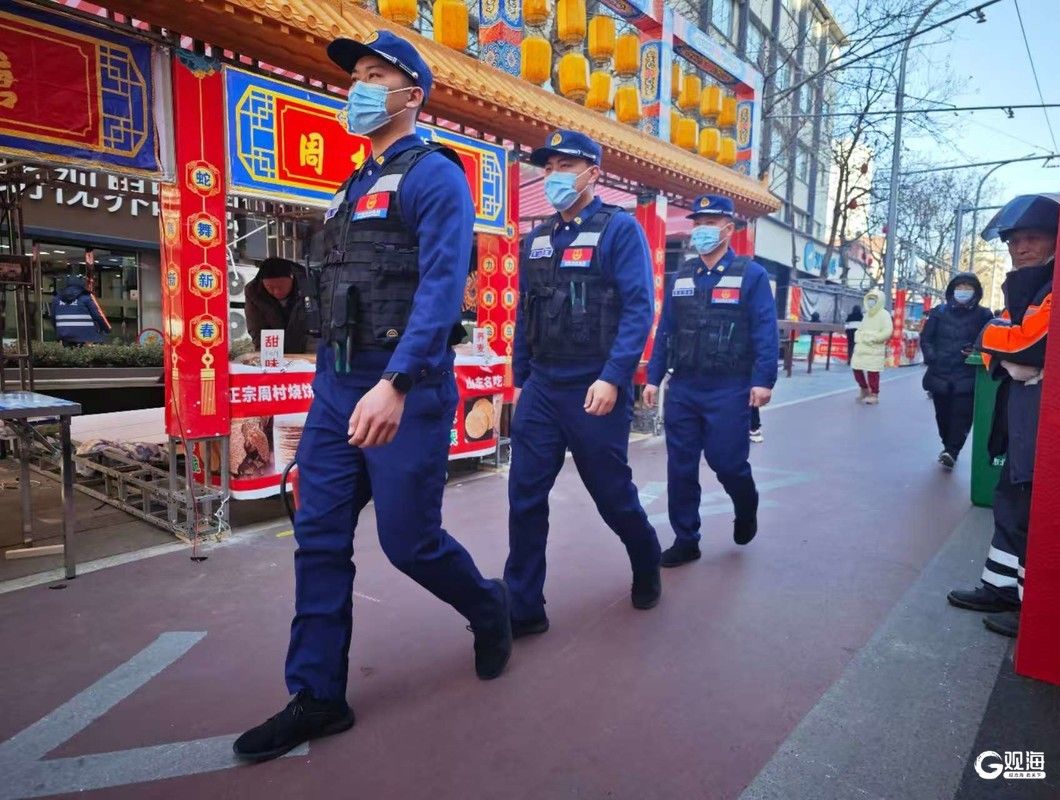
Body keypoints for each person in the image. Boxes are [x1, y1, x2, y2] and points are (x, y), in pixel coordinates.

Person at [234, 30, 511, 763]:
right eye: (355, 75)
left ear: (411, 95)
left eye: (374, 75)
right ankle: (319, 695)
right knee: (319, 538)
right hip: (336, 389)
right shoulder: (352, 186)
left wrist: (397, 382)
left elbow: (442, 289)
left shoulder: (435, 177)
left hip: (404, 390)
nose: (357, 87)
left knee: (408, 542)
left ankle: (489, 607)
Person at [504, 129, 661, 638]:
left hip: (595, 385)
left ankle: (646, 557)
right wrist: (521, 379)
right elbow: (526, 313)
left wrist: (615, 377)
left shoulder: (619, 230)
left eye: (565, 167)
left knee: (611, 494)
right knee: (525, 495)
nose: (553, 176)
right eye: (548, 168)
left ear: (593, 173)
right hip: (543, 386)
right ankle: (524, 604)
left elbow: (638, 309)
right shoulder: (537, 239)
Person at [643, 194, 779, 567]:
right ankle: (686, 539)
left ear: (728, 229)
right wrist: (654, 377)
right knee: (680, 466)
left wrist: (763, 380)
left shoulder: (751, 275)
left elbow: (765, 330)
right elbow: (666, 330)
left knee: (727, 462)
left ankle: (746, 502)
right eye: (698, 223)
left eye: (710, 223)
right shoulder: (683, 275)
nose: (702, 230)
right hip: (684, 386)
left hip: (729, 388)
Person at [947, 194, 1057, 638]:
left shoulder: (1052, 287)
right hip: (1021, 411)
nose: (1021, 248)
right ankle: (1001, 587)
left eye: (1033, 238)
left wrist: (1000, 340)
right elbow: (997, 344)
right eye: (1014, 241)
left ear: (1056, 240)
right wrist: (1002, 344)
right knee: (1011, 499)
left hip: (1042, 418)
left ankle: (1033, 606)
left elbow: (1029, 346)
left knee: (1032, 509)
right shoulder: (1027, 285)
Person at [919, 272, 993, 469]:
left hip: (968, 375)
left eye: (968, 287)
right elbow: (926, 338)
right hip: (940, 373)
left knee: (962, 416)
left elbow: (990, 340)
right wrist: (932, 357)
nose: (963, 291)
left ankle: (952, 451)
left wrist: (975, 349)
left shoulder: (984, 315)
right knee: (942, 416)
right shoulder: (939, 312)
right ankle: (948, 447)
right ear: (952, 290)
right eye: (959, 287)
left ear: (976, 291)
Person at [244, 257, 311, 353]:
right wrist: (266, 355)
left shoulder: (309, 285)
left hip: (307, 344)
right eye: (270, 287)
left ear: (292, 277)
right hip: (273, 346)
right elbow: (257, 329)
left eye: (281, 286)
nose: (277, 292)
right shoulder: (254, 292)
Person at [850, 288, 892, 404]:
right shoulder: (867, 315)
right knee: (856, 368)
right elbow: (860, 329)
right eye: (869, 299)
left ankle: (874, 394)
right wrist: (858, 336)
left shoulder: (884, 314)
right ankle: (864, 389)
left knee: (873, 372)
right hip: (861, 348)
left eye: (873, 299)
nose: (871, 301)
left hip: (874, 348)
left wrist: (874, 338)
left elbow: (887, 331)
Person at [50, 274, 110, 347]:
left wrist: (60, 331)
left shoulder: (57, 299)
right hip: (85, 337)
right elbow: (97, 316)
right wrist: (106, 329)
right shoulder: (86, 298)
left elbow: (53, 318)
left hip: (64, 335)